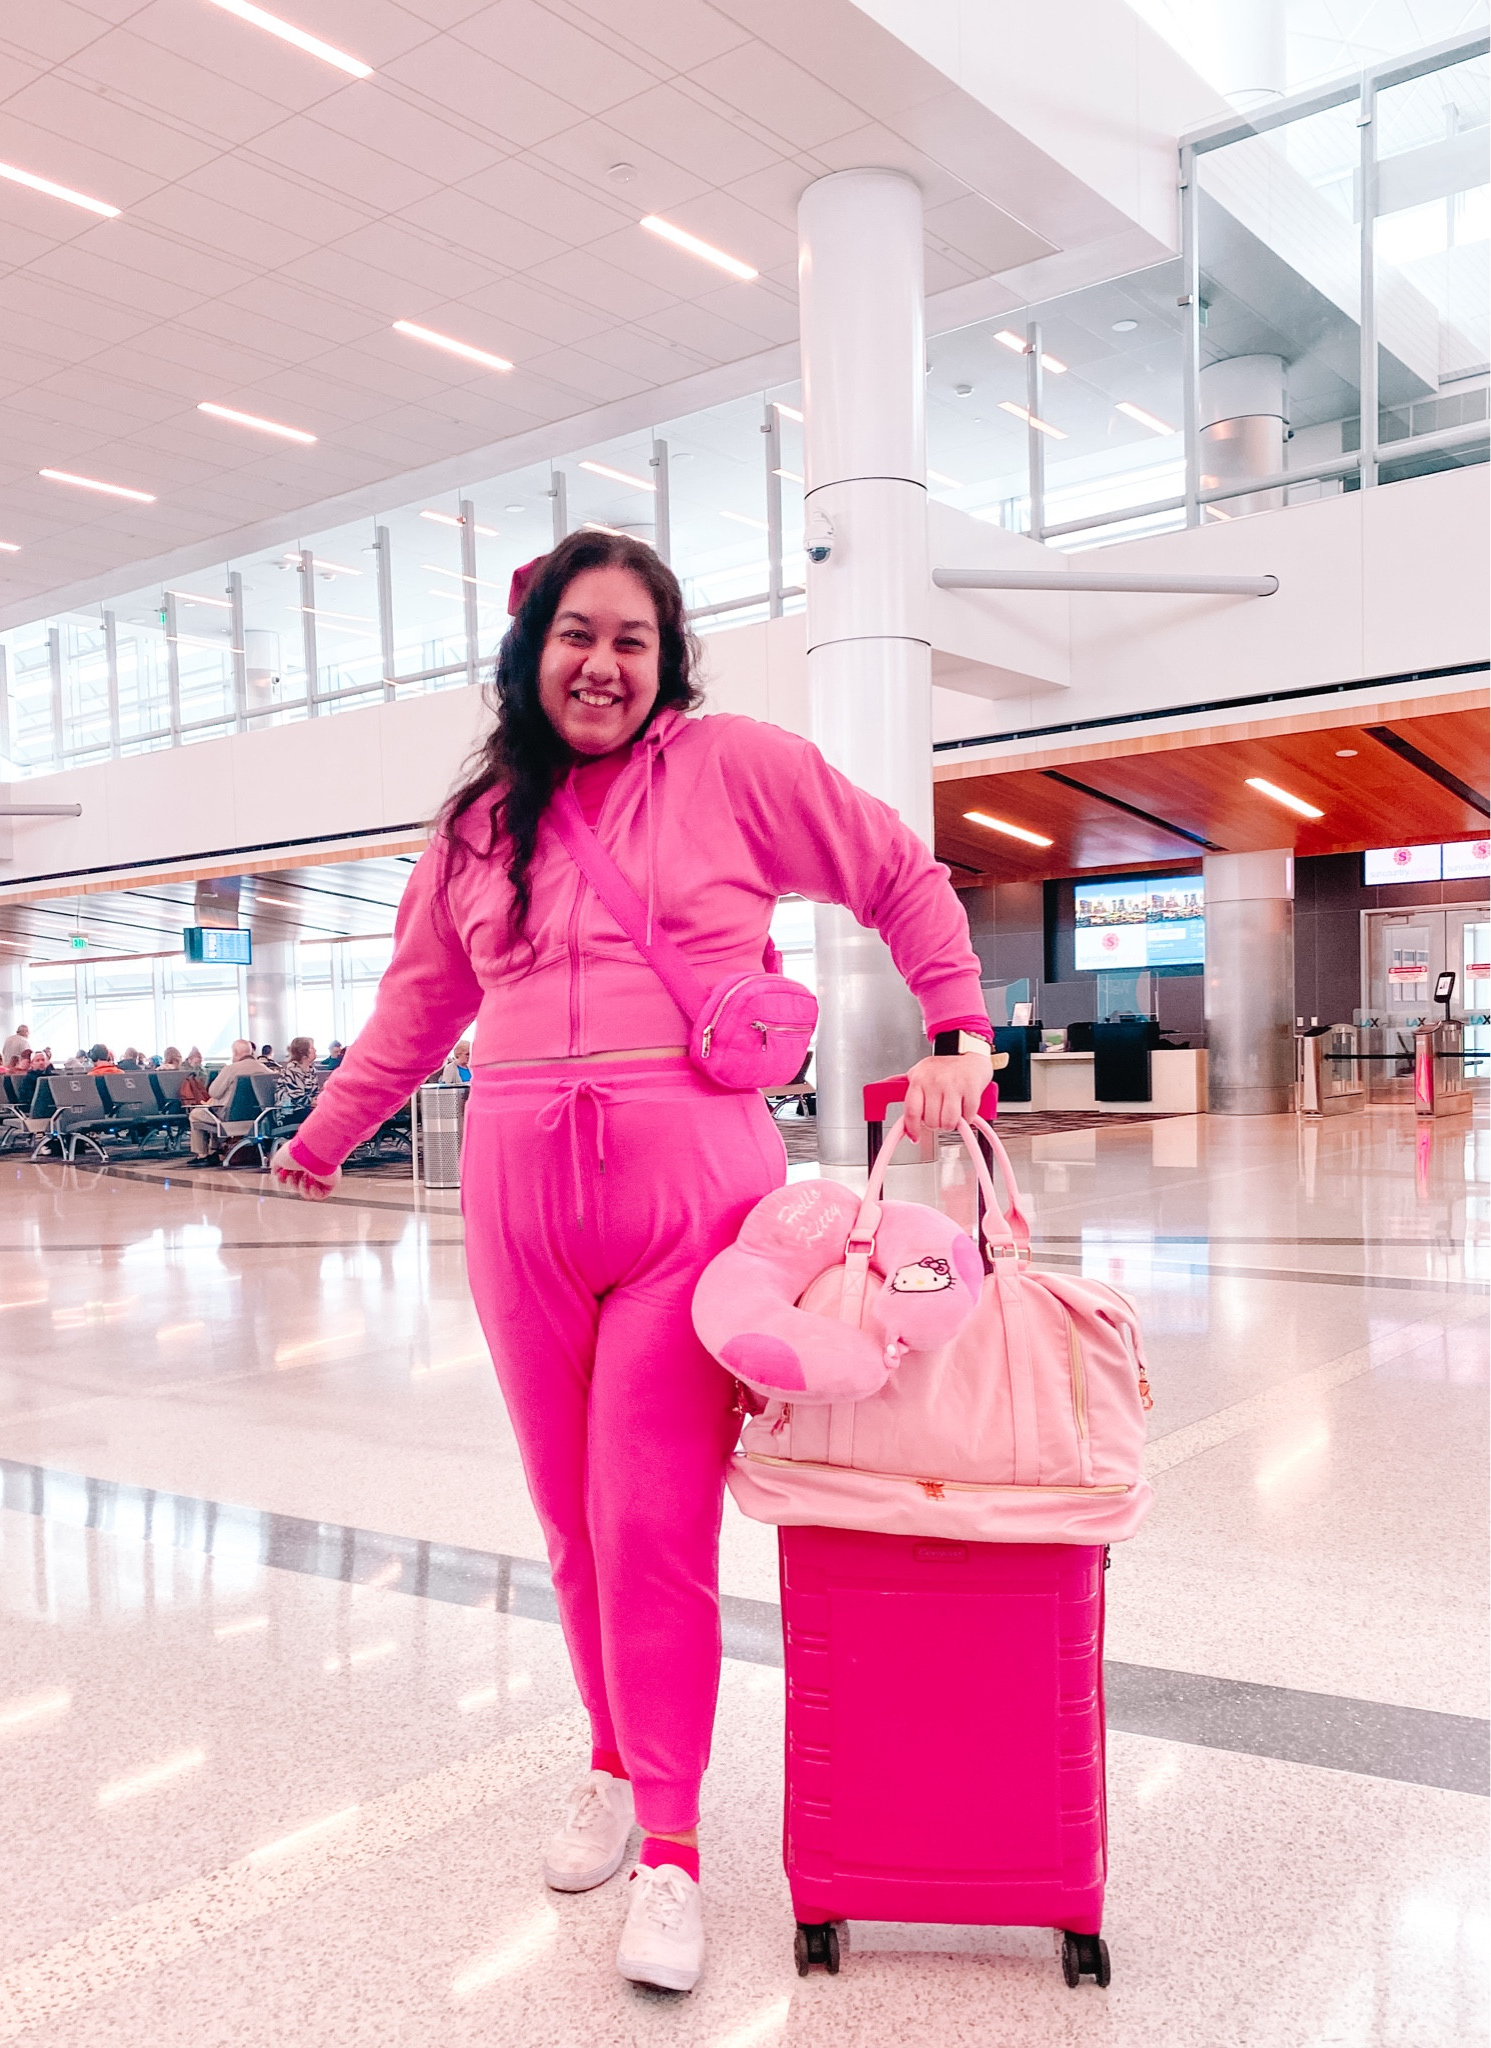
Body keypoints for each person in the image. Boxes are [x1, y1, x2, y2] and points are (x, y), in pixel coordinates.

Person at [269, 531, 993, 1994]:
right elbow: (419, 1005)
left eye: (632, 641)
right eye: (575, 636)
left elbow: (897, 874)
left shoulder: (735, 767)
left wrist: (960, 1028)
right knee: (568, 1523)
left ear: (665, 664)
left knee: (651, 1523)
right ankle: (610, 1758)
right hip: (517, 1197)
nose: (601, 665)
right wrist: (326, 1134)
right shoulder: (478, 823)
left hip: (693, 1204)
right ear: (529, 652)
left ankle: (672, 1847)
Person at [186, 1038, 264, 1163]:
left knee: (196, 1114)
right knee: (212, 1112)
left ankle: (203, 1155)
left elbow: (214, 1092)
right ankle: (217, 1150)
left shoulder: (231, 1069)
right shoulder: (264, 1069)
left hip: (228, 1118)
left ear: (235, 1053)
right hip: (258, 1118)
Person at [272, 1035, 321, 1118]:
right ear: (303, 1053)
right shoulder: (292, 1070)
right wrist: (317, 1102)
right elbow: (297, 1097)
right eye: (312, 1048)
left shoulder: (312, 1070)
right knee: (322, 1116)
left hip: (305, 1108)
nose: (315, 1050)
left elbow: (315, 1093)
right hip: (290, 1111)